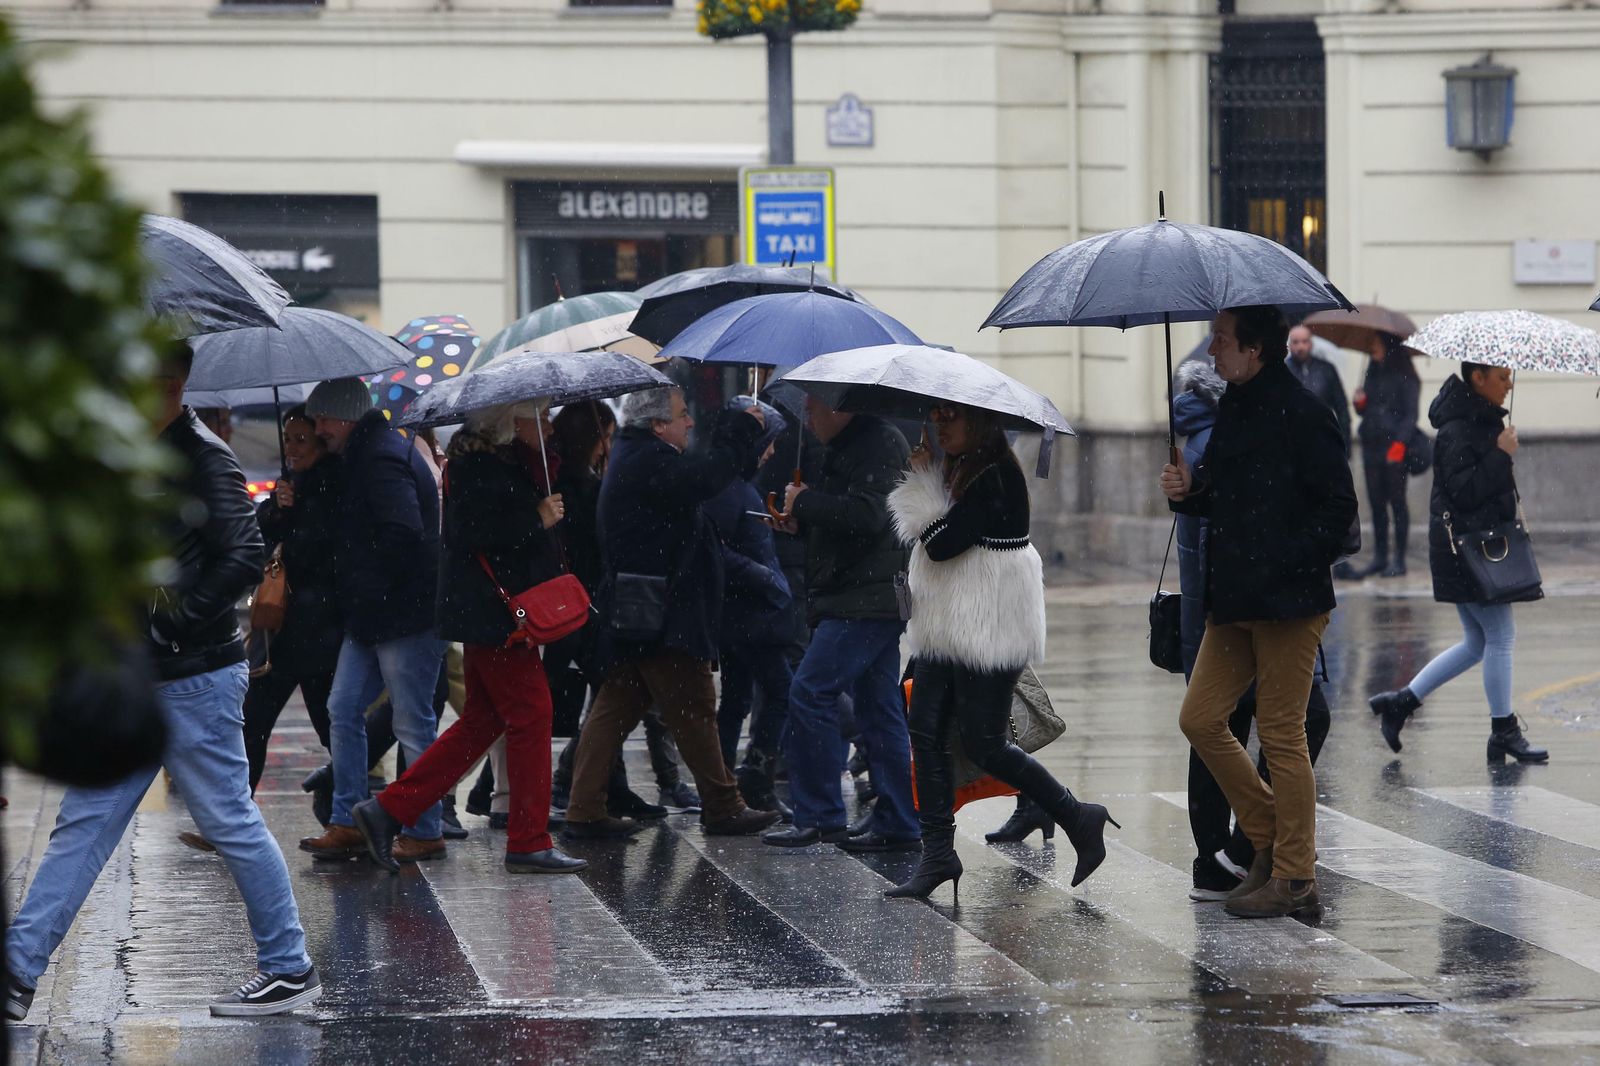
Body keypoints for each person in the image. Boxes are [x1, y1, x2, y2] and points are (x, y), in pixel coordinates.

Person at [5, 343, 320, 1019]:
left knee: (228, 820)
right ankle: (17, 969)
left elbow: (242, 554)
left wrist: (171, 624)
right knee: (85, 823)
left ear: (168, 385)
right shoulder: (138, 452)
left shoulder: (203, 458)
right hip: (146, 670)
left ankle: (290, 966)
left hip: (193, 676)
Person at [1160, 305, 1357, 919]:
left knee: (1281, 733)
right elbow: (1219, 497)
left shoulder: (1304, 413)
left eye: (1221, 341)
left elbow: (1338, 513)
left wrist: (1280, 558)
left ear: (1256, 351)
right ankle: (1274, 834)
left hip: (1288, 603)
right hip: (1236, 601)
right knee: (1201, 719)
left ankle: (1296, 879)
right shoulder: (1236, 406)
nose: (1211, 353)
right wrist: (1187, 492)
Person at [884, 401, 1116, 899]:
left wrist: (922, 484)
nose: (941, 427)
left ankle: (1078, 816)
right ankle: (938, 854)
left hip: (990, 625)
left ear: (981, 422)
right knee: (924, 729)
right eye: (937, 418)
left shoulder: (995, 475)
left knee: (986, 741)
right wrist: (932, 478)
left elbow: (942, 544)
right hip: (948, 623)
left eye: (952, 418)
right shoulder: (959, 467)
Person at [352, 401, 588, 874]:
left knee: (482, 721)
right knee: (532, 715)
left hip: (494, 614)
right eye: (537, 415)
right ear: (509, 421)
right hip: (495, 617)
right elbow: (468, 532)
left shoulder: (508, 460)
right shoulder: (477, 465)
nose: (547, 423)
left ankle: (388, 809)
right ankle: (527, 840)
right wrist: (534, 518)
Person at [562, 386, 780, 838]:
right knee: (695, 704)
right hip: (664, 613)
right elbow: (704, 479)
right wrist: (740, 431)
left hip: (646, 609)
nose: (690, 422)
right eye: (684, 415)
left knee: (613, 711)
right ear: (659, 424)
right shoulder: (646, 459)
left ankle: (583, 810)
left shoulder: (636, 454)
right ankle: (722, 804)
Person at [298, 377, 448, 864]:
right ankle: (347, 820)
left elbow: (402, 535)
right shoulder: (366, 454)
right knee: (343, 709)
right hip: (373, 615)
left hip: (400, 615)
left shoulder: (380, 457)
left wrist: (372, 588)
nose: (317, 429)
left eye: (322, 420)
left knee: (412, 722)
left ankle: (426, 829)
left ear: (344, 417)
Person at [1367, 362, 1547, 762]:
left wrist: (1500, 453)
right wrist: (1501, 455)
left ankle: (1402, 702)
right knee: (1499, 638)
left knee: (1477, 642)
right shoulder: (1458, 428)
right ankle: (1504, 730)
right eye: (1502, 378)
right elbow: (1465, 493)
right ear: (1478, 379)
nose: (1509, 384)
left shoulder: (1475, 420)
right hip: (1469, 552)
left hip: (1469, 551)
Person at [762, 394, 919, 852]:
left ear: (841, 407)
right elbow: (848, 518)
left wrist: (807, 503)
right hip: (861, 594)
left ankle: (820, 815)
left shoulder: (877, 443)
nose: (807, 419)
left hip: (865, 600)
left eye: (812, 409)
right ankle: (899, 819)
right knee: (878, 706)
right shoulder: (852, 443)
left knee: (810, 692)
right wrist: (801, 521)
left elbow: (872, 516)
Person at [242, 405, 344, 794]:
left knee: (331, 728)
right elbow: (264, 537)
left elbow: (307, 552)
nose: (292, 448)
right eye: (288, 439)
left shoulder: (330, 482)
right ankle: (234, 820)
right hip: (287, 628)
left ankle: (355, 813)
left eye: (301, 439)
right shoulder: (293, 481)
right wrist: (277, 508)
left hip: (316, 629)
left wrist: (290, 513)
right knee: (254, 720)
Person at [702, 397, 795, 814]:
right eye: (768, 442)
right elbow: (715, 550)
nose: (772, 451)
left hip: (748, 614)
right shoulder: (727, 488)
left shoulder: (737, 486)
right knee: (780, 692)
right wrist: (766, 578)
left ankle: (725, 784)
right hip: (748, 616)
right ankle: (750, 778)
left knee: (738, 698)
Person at [1352, 335, 1420, 577]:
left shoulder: (1407, 376)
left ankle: (1399, 558)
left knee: (1397, 502)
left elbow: (1411, 415)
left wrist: (1400, 444)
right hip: (1372, 445)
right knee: (1376, 503)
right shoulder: (1372, 372)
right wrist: (1359, 403)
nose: (1371, 348)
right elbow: (1366, 410)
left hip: (1394, 448)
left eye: (1375, 344)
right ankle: (1380, 557)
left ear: (1388, 346)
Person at [1287, 324, 1351, 456]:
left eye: (1305, 341)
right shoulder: (1283, 370)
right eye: (1296, 342)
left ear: (1311, 343)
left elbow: (1342, 407)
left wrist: (1345, 443)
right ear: (1289, 344)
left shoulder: (1326, 369)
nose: (1300, 347)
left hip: (1322, 439)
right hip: (1291, 442)